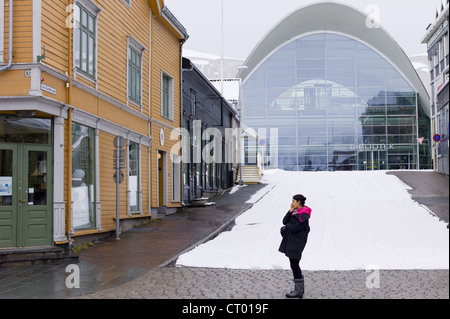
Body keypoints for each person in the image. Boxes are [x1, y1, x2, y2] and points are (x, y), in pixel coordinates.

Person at [279, 194, 311, 299]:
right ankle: (299, 289)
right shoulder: (295, 211)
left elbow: (295, 228)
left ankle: (298, 290)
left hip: (297, 242)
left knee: (294, 263)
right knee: (293, 263)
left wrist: (287, 226)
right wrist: (290, 210)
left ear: (299, 202)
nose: (292, 203)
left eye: (293, 201)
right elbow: (284, 221)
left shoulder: (304, 215)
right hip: (292, 240)